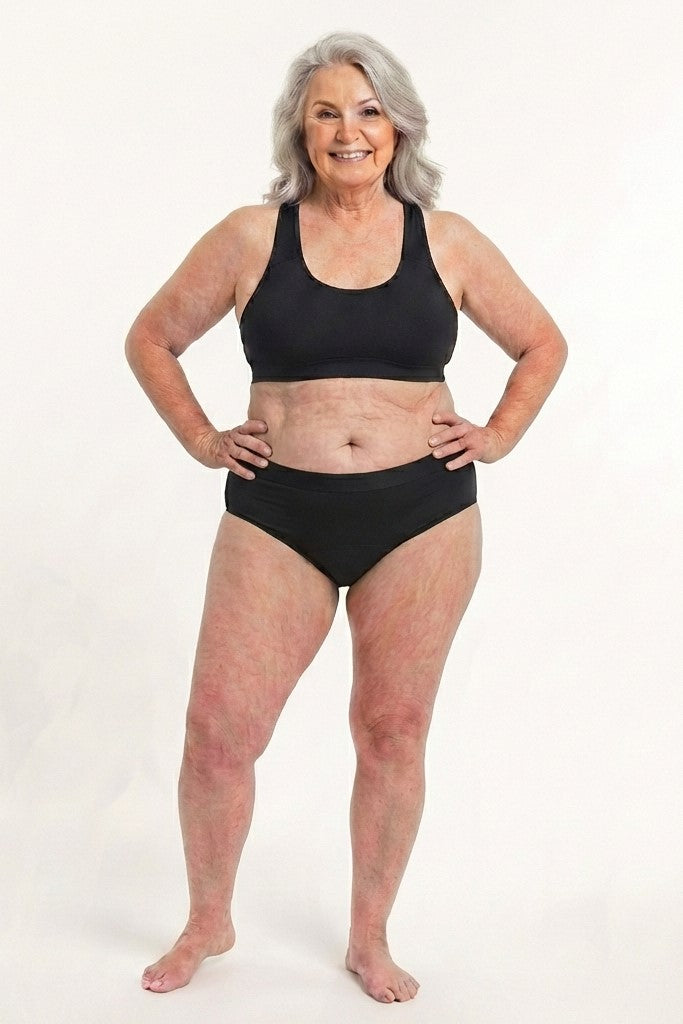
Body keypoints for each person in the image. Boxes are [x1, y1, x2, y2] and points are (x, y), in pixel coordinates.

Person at [125, 30, 568, 1004]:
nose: (347, 130)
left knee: (392, 729)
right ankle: (208, 918)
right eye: (325, 111)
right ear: (300, 129)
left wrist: (495, 434)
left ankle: (369, 937)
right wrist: (202, 437)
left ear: (398, 126)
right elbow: (152, 337)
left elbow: (541, 343)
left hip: (421, 515)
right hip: (277, 511)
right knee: (218, 732)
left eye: (367, 111)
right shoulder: (251, 235)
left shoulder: (446, 241)